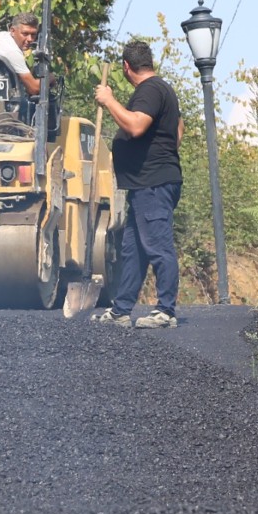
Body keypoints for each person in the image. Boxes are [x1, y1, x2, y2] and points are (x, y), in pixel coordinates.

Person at [92, 39, 181, 329]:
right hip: (147, 185)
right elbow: (178, 128)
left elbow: (135, 125)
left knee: (158, 246)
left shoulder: (150, 90)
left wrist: (109, 100)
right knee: (134, 249)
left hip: (153, 184)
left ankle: (165, 311)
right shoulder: (162, 90)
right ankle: (121, 310)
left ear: (126, 67)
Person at [0, 12, 43, 100]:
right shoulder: (13, 52)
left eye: (33, 34)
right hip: (3, 103)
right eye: (25, 34)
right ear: (12, 31)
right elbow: (34, 89)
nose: (30, 39)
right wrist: (50, 79)